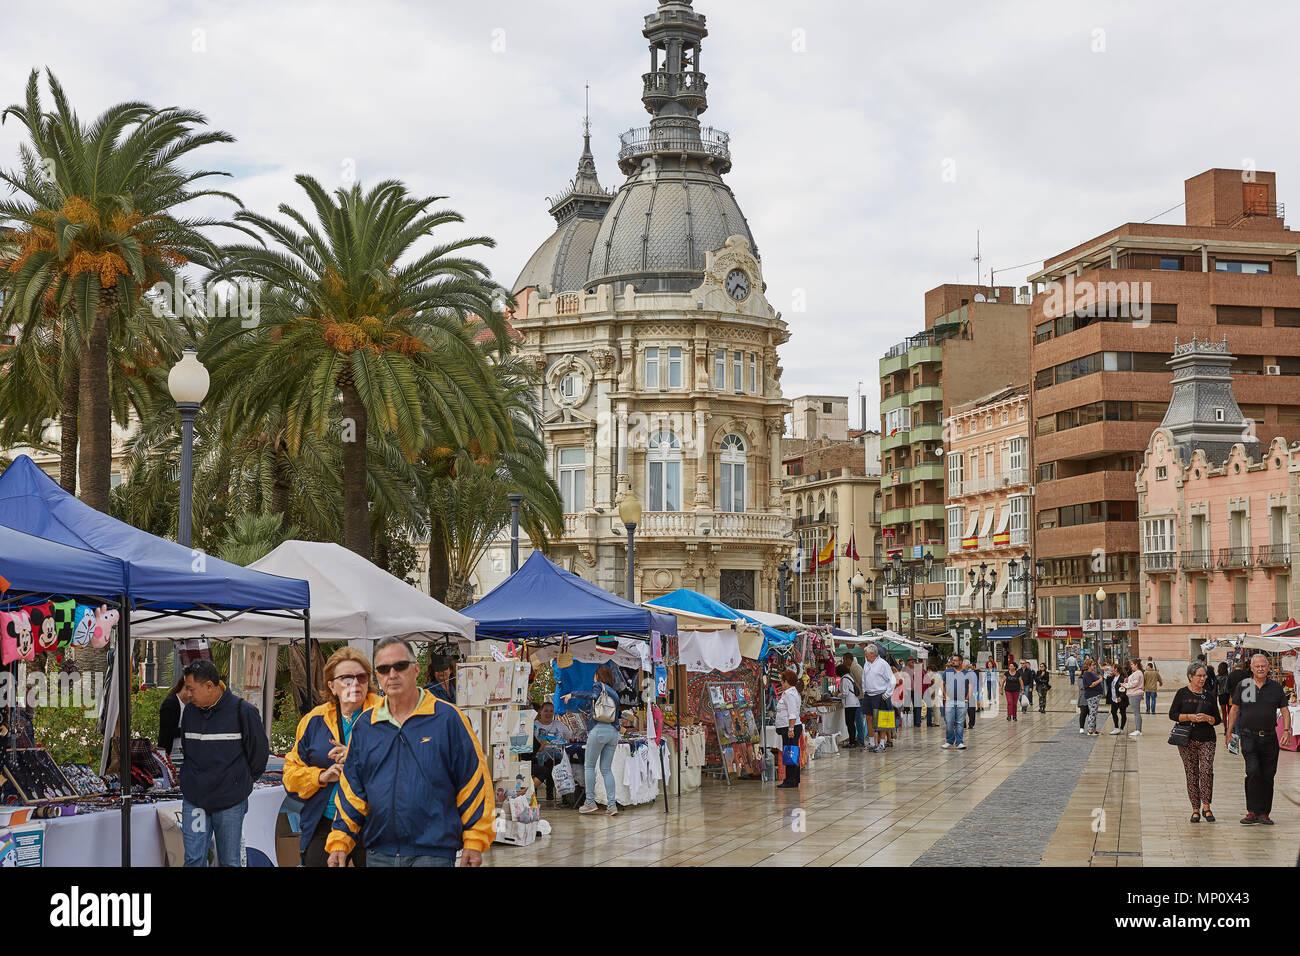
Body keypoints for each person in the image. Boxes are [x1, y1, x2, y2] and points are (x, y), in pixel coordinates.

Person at [328, 637, 493, 866]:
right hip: (379, 854)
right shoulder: (366, 725)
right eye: (384, 669)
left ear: (415, 669)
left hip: (433, 853)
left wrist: (475, 841)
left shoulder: (448, 718)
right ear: (377, 675)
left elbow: (474, 782)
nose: (392, 674)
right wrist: (340, 841)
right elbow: (352, 790)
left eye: (400, 666)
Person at [283, 647, 381, 867]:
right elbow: (290, 775)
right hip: (325, 818)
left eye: (361, 677)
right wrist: (321, 776)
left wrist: (356, 757)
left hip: (374, 820)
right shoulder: (313, 720)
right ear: (331, 686)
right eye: (346, 678)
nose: (355, 684)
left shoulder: (386, 715)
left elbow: (404, 763)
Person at [178, 659, 270, 867]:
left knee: (230, 861)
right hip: (195, 800)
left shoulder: (243, 711)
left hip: (230, 802)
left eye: (191, 689)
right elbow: (188, 752)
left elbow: (259, 755)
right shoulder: (190, 712)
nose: (188, 694)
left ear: (209, 686)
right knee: (193, 859)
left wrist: (238, 782)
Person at [1225, 653, 1292, 826]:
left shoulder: (1275, 687)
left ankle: (1264, 813)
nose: (1261, 669)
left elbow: (1285, 710)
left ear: (1268, 667)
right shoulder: (1244, 686)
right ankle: (1252, 811)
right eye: (1257, 666)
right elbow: (1234, 709)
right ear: (1252, 668)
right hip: (1249, 737)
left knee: (1268, 775)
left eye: (1263, 666)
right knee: (1253, 771)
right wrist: (1229, 732)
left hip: (1270, 738)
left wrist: (1286, 730)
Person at [564, 663, 623, 814]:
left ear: (598, 675)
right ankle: (612, 805)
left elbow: (594, 696)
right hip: (613, 732)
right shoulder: (614, 693)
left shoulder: (599, 686)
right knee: (606, 769)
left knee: (589, 766)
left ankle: (590, 801)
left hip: (599, 730)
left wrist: (573, 694)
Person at [1169, 661, 1222, 823]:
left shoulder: (1210, 695)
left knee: (1206, 771)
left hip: (1207, 738)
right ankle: (1195, 809)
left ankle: (1207, 806)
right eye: (1199, 676)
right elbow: (1173, 714)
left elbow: (1218, 720)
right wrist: (1189, 717)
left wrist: (1208, 718)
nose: (1202, 679)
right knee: (1191, 773)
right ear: (1190, 677)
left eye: (1204, 675)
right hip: (1187, 739)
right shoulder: (1182, 693)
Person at [531, 700, 573, 800]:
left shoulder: (559, 724)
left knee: (554, 764)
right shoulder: (534, 725)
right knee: (543, 764)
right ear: (540, 712)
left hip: (555, 756)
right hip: (537, 755)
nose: (548, 714)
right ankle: (534, 794)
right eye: (546, 711)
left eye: (551, 711)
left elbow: (570, 736)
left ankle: (554, 795)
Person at [860, 643, 894, 753]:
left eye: (866, 654)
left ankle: (882, 744)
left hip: (880, 694)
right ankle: (871, 743)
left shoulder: (883, 664)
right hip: (869, 695)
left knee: (881, 720)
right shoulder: (866, 664)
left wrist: (887, 694)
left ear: (872, 654)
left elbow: (891, 680)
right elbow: (864, 679)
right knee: (869, 718)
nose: (864, 655)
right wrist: (865, 690)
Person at [774, 670, 803, 788]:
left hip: (790, 727)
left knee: (790, 753)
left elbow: (792, 713)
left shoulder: (789, 694)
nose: (781, 683)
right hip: (789, 727)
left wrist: (790, 729)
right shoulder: (791, 692)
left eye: (783, 681)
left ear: (788, 681)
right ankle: (793, 779)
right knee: (791, 753)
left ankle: (790, 780)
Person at [157, 674, 193, 765]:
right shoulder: (171, 703)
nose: (191, 695)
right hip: (172, 754)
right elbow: (167, 732)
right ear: (185, 687)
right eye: (191, 691)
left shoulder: (191, 705)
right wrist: (189, 729)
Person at [940, 655, 971, 750]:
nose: (953, 662)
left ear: (961, 662)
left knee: (960, 722)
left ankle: (959, 742)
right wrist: (945, 696)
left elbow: (970, 686)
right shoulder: (948, 671)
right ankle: (949, 741)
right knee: (949, 721)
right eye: (952, 660)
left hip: (962, 701)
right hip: (950, 700)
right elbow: (942, 684)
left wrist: (967, 698)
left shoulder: (966, 673)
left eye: (955, 660)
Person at [842, 652, 866, 745]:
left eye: (844, 659)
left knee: (858, 718)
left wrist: (862, 693)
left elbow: (861, 681)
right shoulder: (853, 667)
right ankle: (858, 738)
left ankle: (860, 740)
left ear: (849, 659)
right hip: (859, 696)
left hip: (860, 696)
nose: (844, 662)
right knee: (857, 719)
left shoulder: (855, 667)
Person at [837, 663, 861, 749]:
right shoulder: (849, 677)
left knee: (849, 723)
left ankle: (852, 742)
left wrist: (837, 695)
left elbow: (845, 693)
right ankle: (853, 740)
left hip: (850, 704)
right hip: (854, 702)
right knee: (851, 723)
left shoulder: (844, 679)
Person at [1080, 658, 1103, 735]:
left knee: (1094, 712)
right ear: (1089, 666)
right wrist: (1099, 680)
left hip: (1095, 695)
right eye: (1093, 665)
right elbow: (1091, 685)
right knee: (1092, 713)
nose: (1094, 667)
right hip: (1092, 695)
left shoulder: (1090, 673)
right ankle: (1090, 729)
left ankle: (1093, 729)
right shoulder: (1087, 674)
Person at [1106, 662, 1129, 734]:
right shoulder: (1113, 677)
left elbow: (1124, 688)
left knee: (1122, 713)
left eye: (1112, 668)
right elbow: (1109, 685)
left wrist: (1121, 697)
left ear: (1116, 669)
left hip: (1121, 699)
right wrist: (1108, 677)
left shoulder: (1122, 678)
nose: (1111, 670)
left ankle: (1121, 728)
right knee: (1113, 712)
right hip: (1114, 698)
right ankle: (1116, 727)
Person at [1124, 660, 1145, 736]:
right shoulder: (1137, 673)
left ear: (1136, 665)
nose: (1131, 666)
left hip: (1135, 693)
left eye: (1132, 664)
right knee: (1136, 713)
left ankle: (1138, 730)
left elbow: (1134, 684)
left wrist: (1124, 685)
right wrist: (1127, 681)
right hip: (1134, 693)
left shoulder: (1137, 673)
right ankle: (1138, 729)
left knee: (1136, 713)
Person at [964, 659, 980, 728]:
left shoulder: (971, 674)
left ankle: (971, 724)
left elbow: (973, 685)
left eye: (963, 665)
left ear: (966, 666)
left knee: (971, 710)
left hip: (971, 693)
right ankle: (964, 723)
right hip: (964, 693)